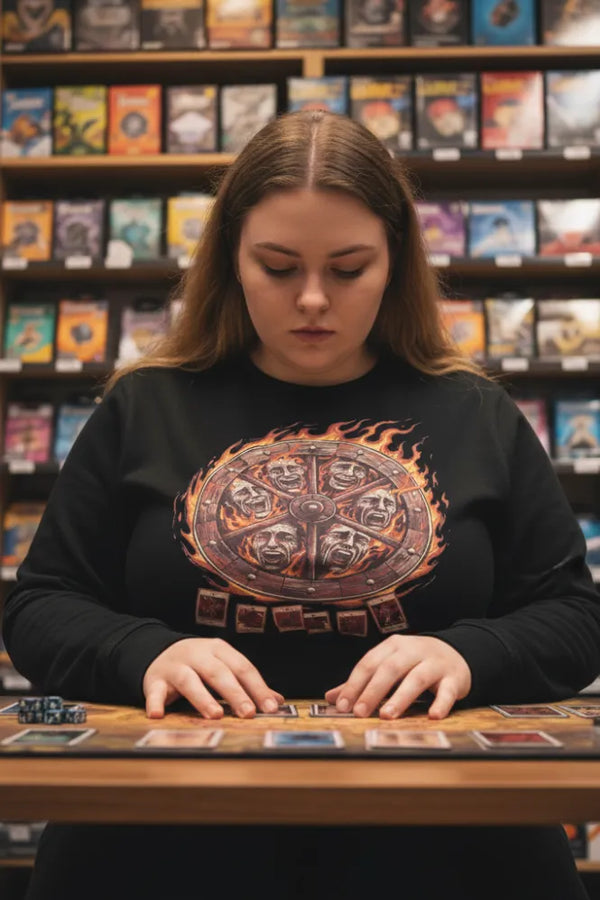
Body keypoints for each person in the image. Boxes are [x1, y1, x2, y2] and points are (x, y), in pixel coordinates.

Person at [3, 109, 599, 900]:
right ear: (230, 261)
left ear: (395, 263)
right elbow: (41, 606)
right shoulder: (146, 407)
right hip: (163, 844)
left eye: (348, 268)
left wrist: (468, 654)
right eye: (278, 267)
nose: (313, 299)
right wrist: (146, 651)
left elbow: (574, 617)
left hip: (447, 847)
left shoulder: (476, 413)